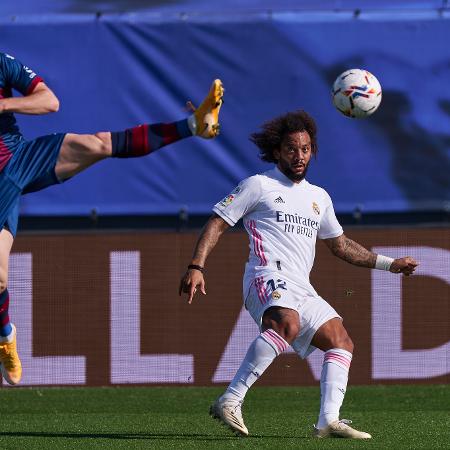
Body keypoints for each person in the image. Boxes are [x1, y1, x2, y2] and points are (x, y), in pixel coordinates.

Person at [179, 110, 418, 439]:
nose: (299, 155)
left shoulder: (318, 197)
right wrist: (197, 265)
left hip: (300, 286)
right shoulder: (258, 185)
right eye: (291, 148)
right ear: (277, 151)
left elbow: (341, 246)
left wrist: (390, 264)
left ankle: (328, 422)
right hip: (265, 276)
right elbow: (218, 222)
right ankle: (230, 400)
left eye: (305, 149)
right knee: (287, 324)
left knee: (341, 341)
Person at [0, 51, 224, 385]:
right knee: (1, 279)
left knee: (99, 144)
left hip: (17, 158)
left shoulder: (4, 62)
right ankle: (5, 335)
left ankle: (194, 124)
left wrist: (4, 106)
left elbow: (49, 102)